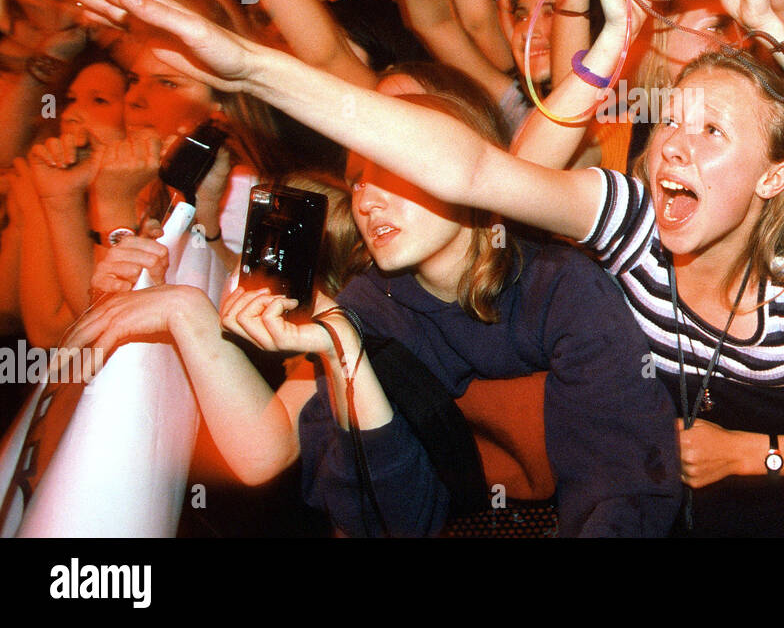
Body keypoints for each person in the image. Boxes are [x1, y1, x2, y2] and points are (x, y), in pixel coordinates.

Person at [38, 0, 784, 537]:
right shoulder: (601, 232)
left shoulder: (765, 284)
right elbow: (278, 458)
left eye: (712, 129)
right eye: (366, 161)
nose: (672, 147)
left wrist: (748, 452)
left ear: (771, 179)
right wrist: (239, 72)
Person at [64, 87, 682, 537]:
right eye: (359, 179)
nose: (369, 199)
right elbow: (388, 525)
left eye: (397, 169)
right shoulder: (366, 305)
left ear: (466, 174)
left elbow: (626, 492)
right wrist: (345, 356)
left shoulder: (562, 284)